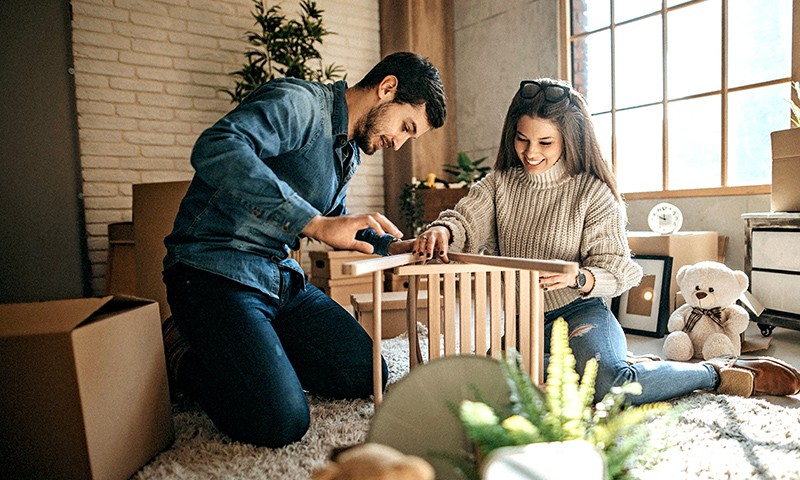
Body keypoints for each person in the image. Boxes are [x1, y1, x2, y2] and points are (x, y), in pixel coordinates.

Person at [406, 78, 800, 404]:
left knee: (610, 384)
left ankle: (715, 373)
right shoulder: (498, 185)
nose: (530, 153)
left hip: (581, 314)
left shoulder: (592, 193)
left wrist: (577, 279)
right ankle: (630, 364)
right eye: (522, 139)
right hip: (526, 320)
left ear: (568, 139)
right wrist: (444, 231)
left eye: (545, 142)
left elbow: (617, 269)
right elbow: (466, 219)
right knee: (488, 392)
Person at [161, 51, 447, 447]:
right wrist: (314, 223)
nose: (398, 144)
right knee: (280, 420)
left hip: (279, 280)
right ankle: (183, 351)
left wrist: (394, 245)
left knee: (369, 373)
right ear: (387, 88)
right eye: (406, 127)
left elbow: (337, 224)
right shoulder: (298, 102)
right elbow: (216, 147)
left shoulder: (346, 151)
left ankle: (254, 348)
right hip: (214, 270)